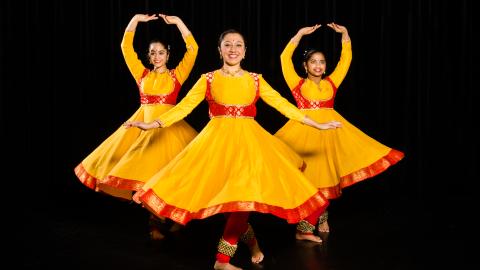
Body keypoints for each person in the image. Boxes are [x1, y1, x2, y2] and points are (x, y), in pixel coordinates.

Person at [124, 29, 342, 270]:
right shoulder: (208, 79)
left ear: (245, 51)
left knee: (242, 200)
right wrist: (152, 123)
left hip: (250, 144)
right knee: (232, 205)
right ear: (220, 50)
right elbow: (183, 107)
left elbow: (283, 104)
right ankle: (252, 244)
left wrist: (316, 123)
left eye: (238, 45)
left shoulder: (256, 80)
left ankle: (222, 260)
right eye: (228, 44)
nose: (233, 49)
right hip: (216, 145)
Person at [74, 13, 199, 240]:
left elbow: (193, 49)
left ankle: (174, 217)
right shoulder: (141, 75)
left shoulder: (177, 75)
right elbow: (125, 47)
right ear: (149, 57)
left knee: (171, 175)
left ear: (169, 54)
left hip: (169, 127)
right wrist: (135, 20)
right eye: (153, 53)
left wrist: (179, 22)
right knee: (143, 173)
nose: (157, 56)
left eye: (161, 52)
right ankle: (155, 221)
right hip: (143, 127)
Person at [275, 23, 405, 234]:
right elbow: (283, 59)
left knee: (327, 180)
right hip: (305, 134)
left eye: (322, 62)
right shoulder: (297, 85)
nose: (318, 65)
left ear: (325, 67)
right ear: (305, 66)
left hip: (330, 135)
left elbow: (346, 61)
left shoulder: (332, 83)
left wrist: (345, 35)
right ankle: (305, 228)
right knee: (310, 182)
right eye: (313, 62)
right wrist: (298, 35)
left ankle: (319, 220)